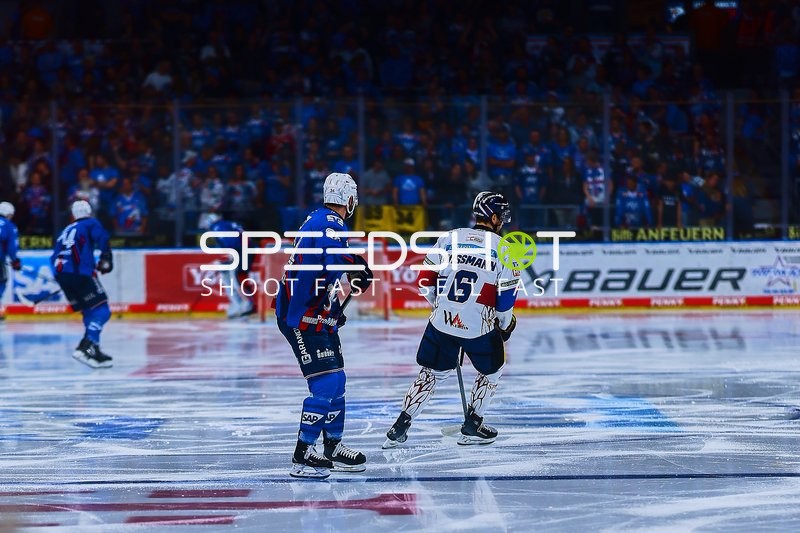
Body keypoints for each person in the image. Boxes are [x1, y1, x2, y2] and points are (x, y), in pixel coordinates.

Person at [383, 191, 519, 448]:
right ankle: (473, 422)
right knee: (492, 371)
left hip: (441, 322)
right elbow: (505, 300)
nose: (502, 221)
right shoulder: (505, 249)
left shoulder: (449, 238)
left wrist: (441, 308)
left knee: (431, 375)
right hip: (478, 326)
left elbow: (424, 282)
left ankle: (400, 425)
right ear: (492, 217)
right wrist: (505, 326)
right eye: (501, 216)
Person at [275, 172, 373, 479]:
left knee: (338, 382)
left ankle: (333, 445)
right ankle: (303, 454)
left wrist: (330, 309)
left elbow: (319, 268)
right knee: (327, 383)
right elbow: (330, 260)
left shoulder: (318, 219)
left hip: (312, 311)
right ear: (349, 199)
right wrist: (355, 264)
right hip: (300, 316)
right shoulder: (332, 222)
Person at [51, 200, 113, 368]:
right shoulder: (90, 223)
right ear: (89, 212)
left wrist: (64, 277)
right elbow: (103, 238)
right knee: (102, 310)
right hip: (81, 273)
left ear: (72, 215)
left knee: (88, 310)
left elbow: (54, 256)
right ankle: (85, 346)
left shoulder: (65, 230)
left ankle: (94, 349)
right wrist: (106, 259)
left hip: (63, 274)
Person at [199, 213, 254, 319]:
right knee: (230, 279)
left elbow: (230, 241)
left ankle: (245, 304)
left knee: (235, 279)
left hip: (240, 252)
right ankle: (239, 304)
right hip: (242, 250)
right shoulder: (226, 224)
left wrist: (230, 254)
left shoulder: (218, 226)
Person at [0, 202, 21, 316]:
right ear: (8, 214)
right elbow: (11, 247)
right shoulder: (9, 225)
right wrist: (15, 261)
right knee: (2, 281)